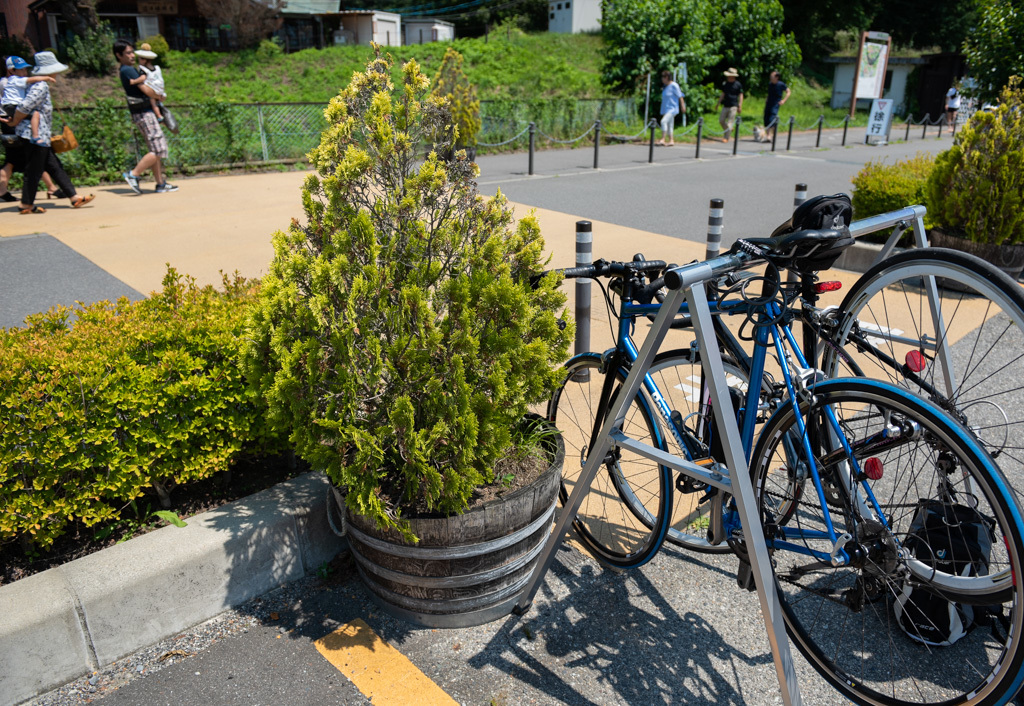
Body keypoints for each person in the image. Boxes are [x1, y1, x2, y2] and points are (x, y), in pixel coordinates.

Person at [2, 52, 94, 213]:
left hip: (40, 133)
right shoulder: (41, 85)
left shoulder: (39, 84)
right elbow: (25, 107)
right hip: (32, 135)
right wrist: (15, 121)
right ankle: (26, 204)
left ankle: (74, 197)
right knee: (34, 170)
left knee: (54, 166)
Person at [113, 38, 177, 194]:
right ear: (119, 55)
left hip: (143, 112)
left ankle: (160, 183)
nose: (132, 56)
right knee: (159, 149)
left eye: (132, 52)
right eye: (128, 53)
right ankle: (133, 174)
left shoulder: (128, 69)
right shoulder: (128, 70)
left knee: (154, 149)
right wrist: (159, 95)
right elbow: (146, 91)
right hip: (144, 113)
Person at [1, 56, 53, 145]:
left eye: (25, 69)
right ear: (11, 70)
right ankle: (36, 137)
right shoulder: (16, 79)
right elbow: (32, 79)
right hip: (14, 105)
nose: (24, 72)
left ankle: (12, 122)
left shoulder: (10, 80)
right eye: (21, 70)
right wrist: (46, 78)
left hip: (8, 106)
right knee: (35, 114)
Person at [656, 70, 685, 146]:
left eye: (663, 77)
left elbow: (680, 96)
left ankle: (663, 139)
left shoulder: (674, 85)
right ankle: (671, 140)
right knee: (670, 125)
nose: (662, 79)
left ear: (667, 77)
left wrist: (682, 106)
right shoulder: (665, 87)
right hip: (666, 109)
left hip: (672, 109)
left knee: (663, 122)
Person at [760, 70, 790, 142]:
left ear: (777, 77)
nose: (770, 77)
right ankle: (768, 136)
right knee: (766, 118)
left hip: (776, 103)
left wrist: (783, 100)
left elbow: (788, 91)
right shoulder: (770, 84)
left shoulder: (781, 84)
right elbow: (769, 93)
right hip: (769, 103)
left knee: (772, 118)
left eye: (772, 76)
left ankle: (771, 134)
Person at [715, 68, 743, 143]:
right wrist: (718, 103)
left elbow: (741, 95)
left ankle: (726, 137)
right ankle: (729, 129)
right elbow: (723, 94)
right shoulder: (726, 84)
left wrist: (740, 105)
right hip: (725, 105)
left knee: (730, 122)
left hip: (733, 106)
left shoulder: (738, 84)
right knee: (721, 120)